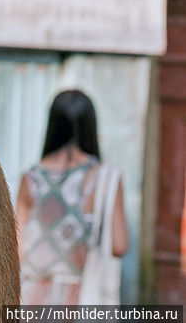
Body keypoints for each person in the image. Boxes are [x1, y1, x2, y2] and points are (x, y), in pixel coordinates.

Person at [15, 89, 129, 304]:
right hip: (83, 300)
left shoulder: (30, 178)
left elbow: (17, 249)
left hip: (34, 300)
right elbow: (119, 244)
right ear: (90, 126)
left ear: (53, 126)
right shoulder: (104, 178)